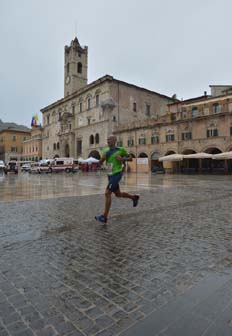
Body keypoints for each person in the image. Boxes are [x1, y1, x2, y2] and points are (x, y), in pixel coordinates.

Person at [95, 135, 139, 224]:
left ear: (115, 141)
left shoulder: (121, 149)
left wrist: (122, 158)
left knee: (107, 193)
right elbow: (101, 161)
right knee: (118, 194)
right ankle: (134, 198)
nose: (108, 141)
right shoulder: (105, 150)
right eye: (107, 139)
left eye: (110, 139)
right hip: (110, 174)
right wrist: (100, 161)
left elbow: (130, 158)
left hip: (117, 173)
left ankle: (104, 217)